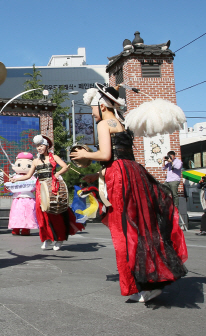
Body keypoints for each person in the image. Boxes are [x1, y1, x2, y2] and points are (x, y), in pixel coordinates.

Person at [71, 83, 188, 302]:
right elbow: (121, 156)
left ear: (102, 105)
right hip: (133, 173)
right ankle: (149, 279)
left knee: (124, 231)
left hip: (119, 177)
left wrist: (84, 156)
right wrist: (96, 176)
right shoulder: (122, 123)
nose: (92, 112)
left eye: (93, 107)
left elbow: (106, 155)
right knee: (139, 228)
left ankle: (141, 284)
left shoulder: (104, 123)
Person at [11, 135, 83, 251]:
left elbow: (65, 167)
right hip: (41, 188)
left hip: (53, 185)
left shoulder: (54, 157)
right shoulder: (35, 161)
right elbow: (29, 175)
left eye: (41, 146)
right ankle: (46, 238)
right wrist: (16, 179)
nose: (39, 148)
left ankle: (59, 239)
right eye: (37, 146)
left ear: (46, 146)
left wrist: (57, 175)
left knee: (55, 213)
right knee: (42, 215)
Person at [8, 152, 38, 236]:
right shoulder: (15, 177)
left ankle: (26, 228)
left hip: (29, 198)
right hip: (18, 198)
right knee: (17, 214)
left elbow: (35, 187)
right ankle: (15, 228)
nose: (24, 167)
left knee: (28, 214)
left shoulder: (32, 177)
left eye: (28, 166)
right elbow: (11, 188)